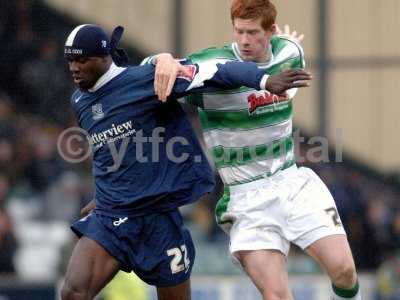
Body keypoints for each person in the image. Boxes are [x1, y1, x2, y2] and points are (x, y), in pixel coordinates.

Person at [60, 24, 311, 300]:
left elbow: (218, 70)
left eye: (82, 60)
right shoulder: (79, 100)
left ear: (103, 57)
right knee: (73, 293)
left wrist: (265, 80)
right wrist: (105, 192)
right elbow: (109, 149)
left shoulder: (148, 80)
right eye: (71, 60)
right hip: (112, 216)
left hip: (158, 219)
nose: (74, 67)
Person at [150, 0, 361, 299]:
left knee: (345, 271)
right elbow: (151, 72)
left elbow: (291, 46)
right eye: (239, 32)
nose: (245, 40)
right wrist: (163, 59)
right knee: (276, 295)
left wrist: (287, 42)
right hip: (246, 199)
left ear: (271, 31)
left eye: (252, 32)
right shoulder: (212, 66)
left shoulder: (290, 53)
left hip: (292, 183)